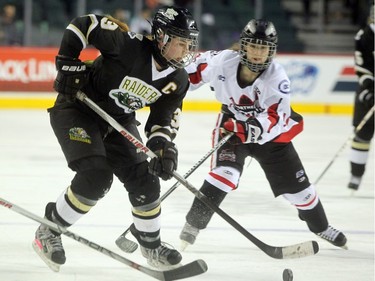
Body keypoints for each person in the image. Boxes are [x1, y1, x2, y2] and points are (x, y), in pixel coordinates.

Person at [31, 6, 199, 271]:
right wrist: (66, 61)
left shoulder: (177, 79)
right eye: (181, 43)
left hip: (118, 120)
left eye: (189, 43)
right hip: (78, 108)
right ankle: (50, 229)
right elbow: (82, 24)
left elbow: (162, 120)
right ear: (162, 37)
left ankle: (150, 244)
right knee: (96, 178)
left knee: (146, 181)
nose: (187, 50)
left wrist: (161, 148)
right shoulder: (127, 45)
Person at [179, 19, 348, 251]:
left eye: (264, 47)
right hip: (232, 129)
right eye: (254, 46)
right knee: (223, 175)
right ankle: (192, 226)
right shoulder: (222, 63)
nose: (258, 53)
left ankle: (320, 227)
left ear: (271, 50)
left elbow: (276, 118)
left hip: (271, 139)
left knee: (302, 194)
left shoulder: (277, 77)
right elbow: (186, 73)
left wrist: (247, 128)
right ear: (243, 46)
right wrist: (166, 87)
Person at [347, 3, 374, 191]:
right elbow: (362, 67)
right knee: (361, 134)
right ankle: (356, 175)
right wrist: (369, 90)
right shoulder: (364, 36)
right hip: (369, 91)